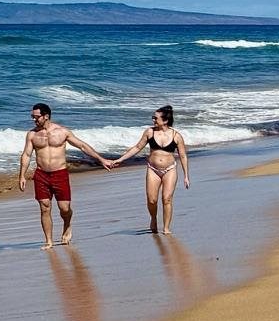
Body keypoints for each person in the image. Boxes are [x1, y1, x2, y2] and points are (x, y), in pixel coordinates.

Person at [16, 101, 111, 248]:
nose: (33, 119)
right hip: (41, 174)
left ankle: (67, 225)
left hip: (60, 174)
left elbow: (82, 146)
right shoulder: (32, 135)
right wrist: (22, 175)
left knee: (64, 208)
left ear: (46, 116)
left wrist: (101, 159)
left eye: (36, 117)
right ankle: (48, 241)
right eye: (32, 116)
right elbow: (26, 155)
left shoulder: (62, 132)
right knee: (44, 207)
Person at [110, 104, 191, 240]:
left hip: (170, 169)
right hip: (153, 169)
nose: (153, 120)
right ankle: (153, 218)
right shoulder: (149, 132)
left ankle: (166, 228)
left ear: (165, 120)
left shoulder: (176, 136)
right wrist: (120, 159)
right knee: (152, 200)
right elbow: (137, 148)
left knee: (167, 199)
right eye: (153, 117)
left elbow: (183, 156)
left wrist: (186, 176)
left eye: (156, 118)